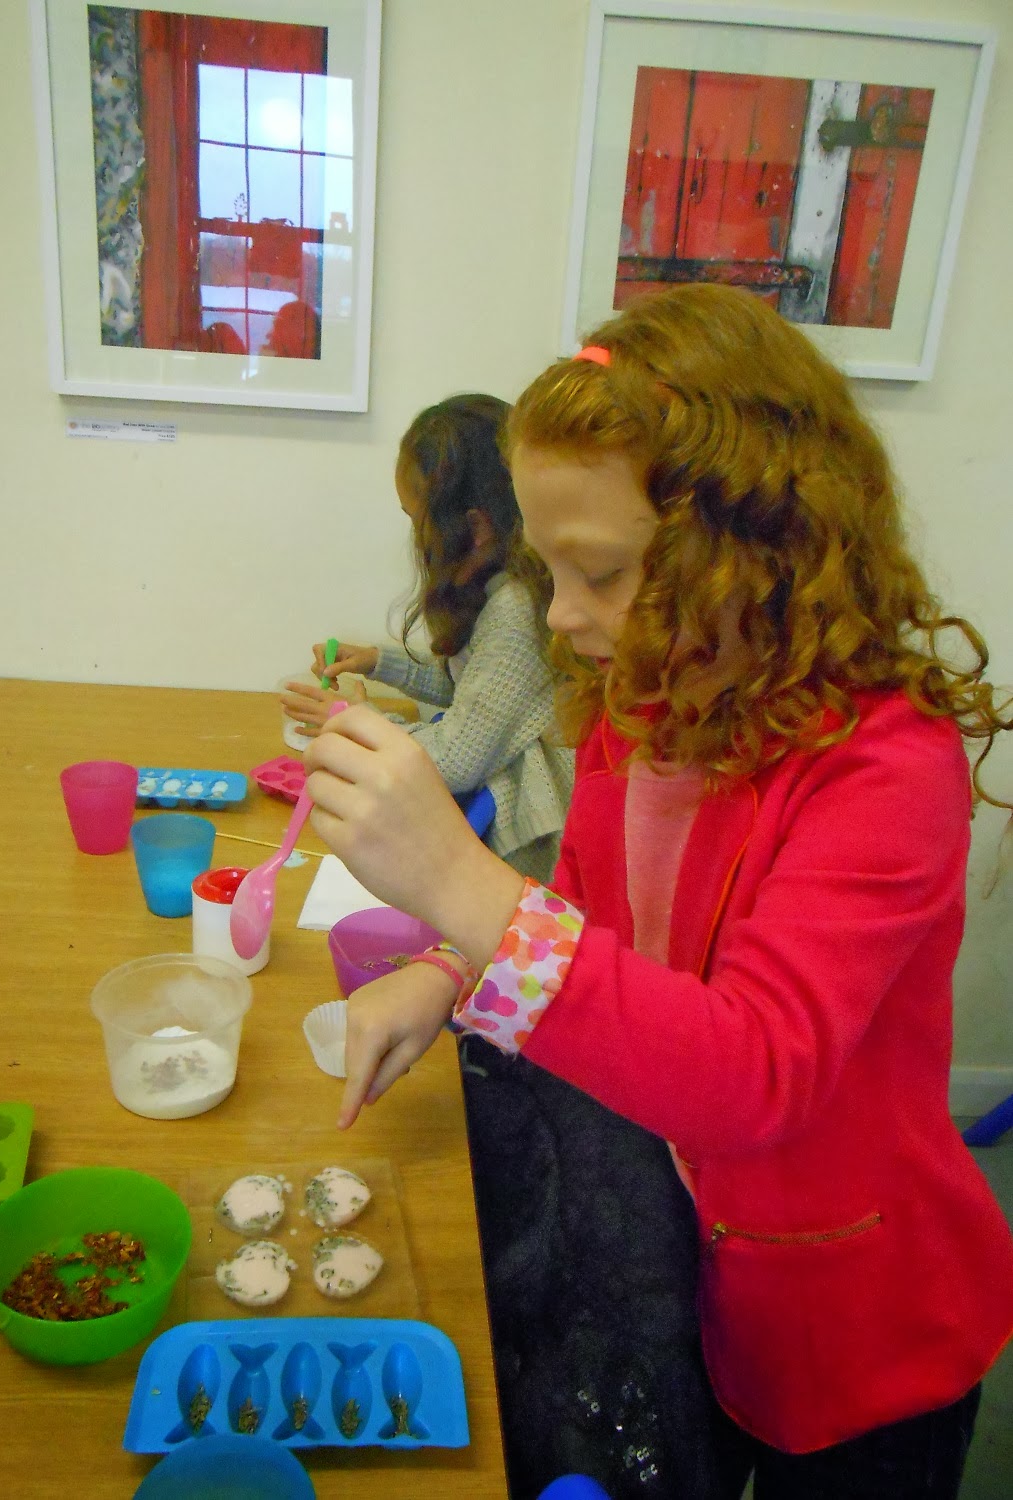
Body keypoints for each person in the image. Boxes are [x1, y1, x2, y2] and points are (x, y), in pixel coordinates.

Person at [303, 285, 1013, 1500]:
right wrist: (440, 970)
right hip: (706, 1271)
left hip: (860, 1329)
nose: (566, 619)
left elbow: (753, 1073)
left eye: (604, 573)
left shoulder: (887, 768)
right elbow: (579, 904)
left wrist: (459, 884)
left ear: (760, 546)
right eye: (548, 571)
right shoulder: (652, 706)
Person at [281, 392, 574, 883]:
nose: (416, 538)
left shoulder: (517, 609)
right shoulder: (503, 586)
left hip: (532, 854)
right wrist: (378, 662)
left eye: (417, 521)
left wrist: (358, 723)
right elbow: (471, 692)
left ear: (475, 527)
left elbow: (457, 757)